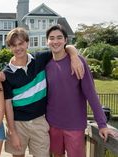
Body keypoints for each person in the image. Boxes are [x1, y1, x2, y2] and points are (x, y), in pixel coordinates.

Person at [2, 27, 84, 157]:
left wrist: (74, 56)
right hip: (18, 124)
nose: (18, 48)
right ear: (9, 47)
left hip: (40, 121)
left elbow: (64, 47)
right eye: (14, 45)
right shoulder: (6, 74)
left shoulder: (40, 59)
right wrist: (12, 132)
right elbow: (7, 105)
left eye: (21, 43)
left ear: (27, 43)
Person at [45, 24, 114, 157]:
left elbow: (91, 94)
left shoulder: (78, 62)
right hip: (52, 124)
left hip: (75, 125)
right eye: (51, 38)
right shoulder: (46, 64)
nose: (55, 41)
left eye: (59, 37)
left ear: (66, 40)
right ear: (47, 41)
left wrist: (102, 124)